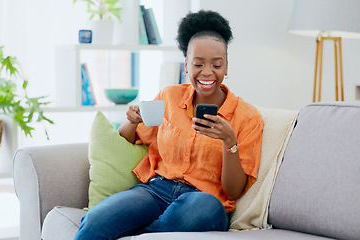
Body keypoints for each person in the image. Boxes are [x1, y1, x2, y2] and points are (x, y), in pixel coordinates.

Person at [74, 10, 263, 240]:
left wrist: (229, 142)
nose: (207, 72)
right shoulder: (169, 97)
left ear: (226, 67)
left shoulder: (248, 117)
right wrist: (132, 121)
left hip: (202, 200)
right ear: (186, 66)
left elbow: (233, 190)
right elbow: (128, 138)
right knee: (94, 222)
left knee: (203, 209)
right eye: (198, 63)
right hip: (155, 190)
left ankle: (144, 234)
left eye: (216, 64)